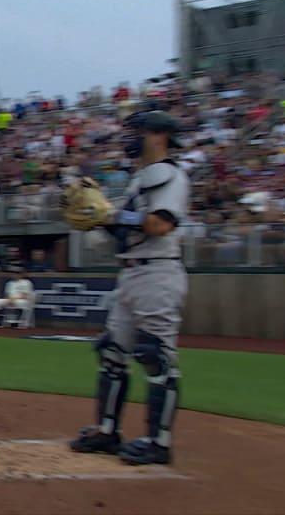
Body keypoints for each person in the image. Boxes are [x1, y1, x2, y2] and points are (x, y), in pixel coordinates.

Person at [69, 110, 190, 466]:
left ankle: (159, 442)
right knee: (111, 353)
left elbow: (160, 224)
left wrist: (112, 215)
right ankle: (108, 431)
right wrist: (100, 220)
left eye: (139, 131)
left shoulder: (170, 176)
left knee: (156, 356)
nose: (131, 137)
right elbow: (126, 229)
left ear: (160, 136)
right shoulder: (140, 180)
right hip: (132, 274)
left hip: (159, 272)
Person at [0, 263, 35, 328]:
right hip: (10, 299)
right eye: (14, 273)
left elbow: (25, 295)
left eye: (17, 273)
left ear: (21, 274)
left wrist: (14, 299)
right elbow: (7, 295)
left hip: (22, 300)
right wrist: (10, 299)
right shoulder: (10, 283)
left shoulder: (26, 282)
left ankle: (17, 322)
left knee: (19, 303)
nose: (15, 275)